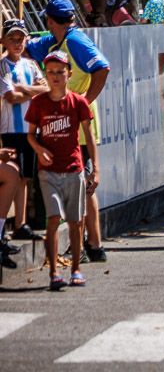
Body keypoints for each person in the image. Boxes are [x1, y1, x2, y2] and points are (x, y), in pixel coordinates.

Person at [25, 0, 109, 263]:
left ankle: (84, 246)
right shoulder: (57, 42)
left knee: (79, 188)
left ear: (50, 20)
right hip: (69, 126)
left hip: (78, 127)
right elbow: (29, 48)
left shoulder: (75, 41)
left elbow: (102, 68)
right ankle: (94, 245)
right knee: (83, 188)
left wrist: (85, 100)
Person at [26, 51, 98, 290]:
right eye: (51, 73)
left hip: (74, 168)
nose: (55, 77)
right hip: (48, 171)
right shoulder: (38, 103)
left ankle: (76, 268)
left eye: (60, 72)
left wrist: (95, 168)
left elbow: (89, 134)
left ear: (69, 74)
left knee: (76, 221)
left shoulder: (78, 102)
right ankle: (54, 271)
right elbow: (31, 135)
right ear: (45, 75)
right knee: (54, 218)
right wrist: (38, 149)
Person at [0, 20, 45, 244]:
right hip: (11, 129)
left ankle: (21, 224)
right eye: (12, 39)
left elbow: (47, 88)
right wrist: (33, 92)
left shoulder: (31, 64)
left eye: (20, 39)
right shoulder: (2, 66)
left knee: (25, 177)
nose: (17, 43)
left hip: (31, 129)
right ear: (3, 41)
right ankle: (5, 225)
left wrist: (24, 89)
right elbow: (11, 97)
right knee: (13, 176)